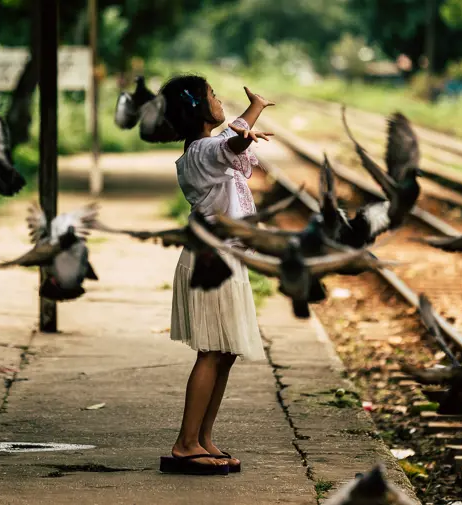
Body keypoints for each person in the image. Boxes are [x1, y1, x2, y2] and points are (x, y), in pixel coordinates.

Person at [156, 75, 275, 476]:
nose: (219, 100)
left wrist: (247, 119)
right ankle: (186, 443)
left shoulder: (200, 150)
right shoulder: (206, 151)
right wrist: (251, 114)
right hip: (211, 263)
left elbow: (231, 141)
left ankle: (203, 439)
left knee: (224, 352)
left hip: (225, 260)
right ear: (198, 109)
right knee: (211, 352)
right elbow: (233, 143)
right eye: (212, 96)